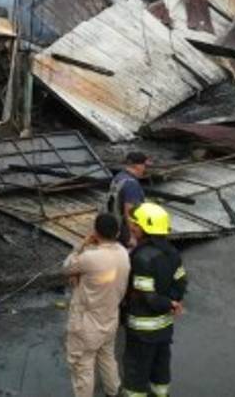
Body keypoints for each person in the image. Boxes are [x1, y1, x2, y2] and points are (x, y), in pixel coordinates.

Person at [121, 202, 187, 397]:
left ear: (145, 228)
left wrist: (168, 303)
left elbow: (146, 295)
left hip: (142, 330)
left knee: (136, 371)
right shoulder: (172, 252)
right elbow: (181, 282)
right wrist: (173, 302)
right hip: (164, 327)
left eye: (135, 223)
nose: (132, 227)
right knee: (160, 367)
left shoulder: (142, 257)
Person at [63, 213, 130, 397]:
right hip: (110, 317)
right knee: (107, 357)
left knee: (82, 366)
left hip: (87, 323)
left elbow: (67, 266)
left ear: (96, 232)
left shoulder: (90, 258)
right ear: (116, 233)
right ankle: (114, 391)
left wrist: (82, 244)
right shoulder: (124, 253)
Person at [105, 152, 149, 248]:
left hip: (115, 222)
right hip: (124, 229)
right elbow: (129, 212)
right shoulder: (131, 184)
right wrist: (132, 236)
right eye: (144, 165)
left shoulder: (119, 177)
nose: (145, 169)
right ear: (136, 166)